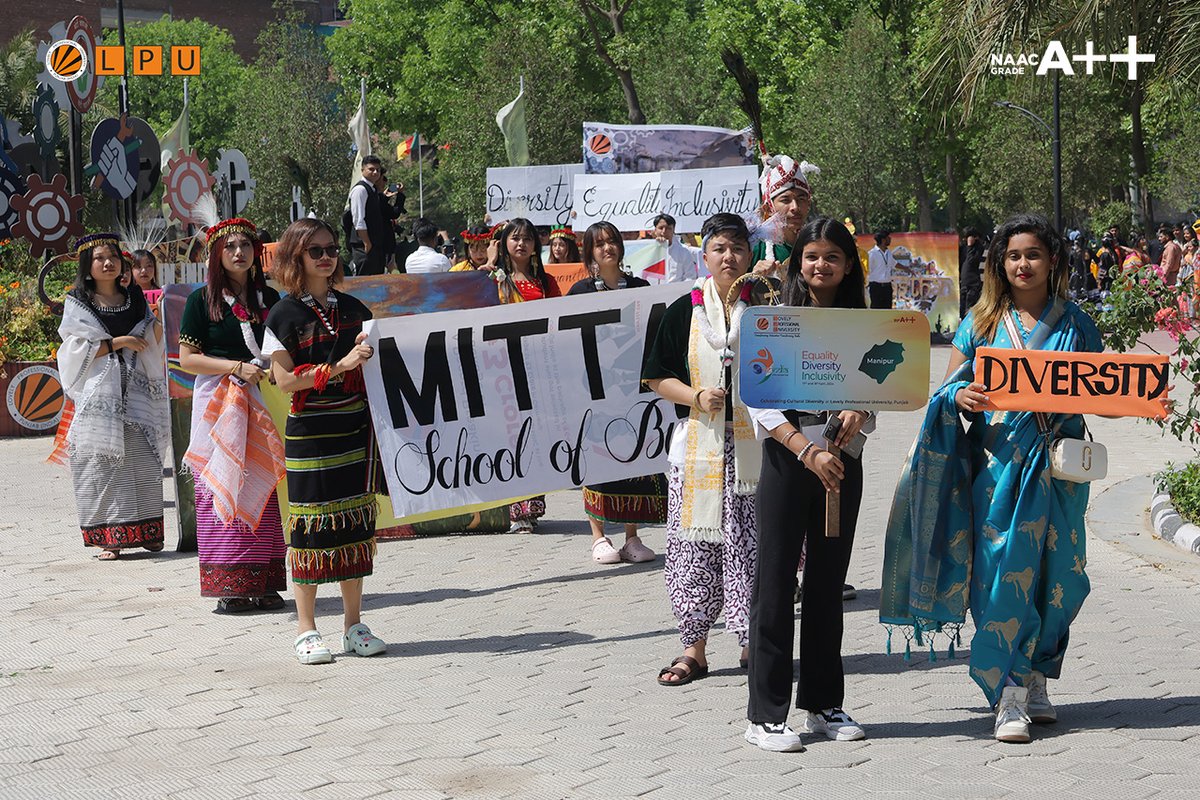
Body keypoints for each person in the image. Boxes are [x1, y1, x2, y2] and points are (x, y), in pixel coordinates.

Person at [881, 213, 1106, 744]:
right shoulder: (979, 325)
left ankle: (1038, 674)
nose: (1023, 264)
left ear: (1054, 261)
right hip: (998, 468)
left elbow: (1104, 390)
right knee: (1002, 572)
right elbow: (945, 390)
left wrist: (1141, 401)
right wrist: (959, 396)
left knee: (1062, 575)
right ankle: (1007, 691)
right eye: (1013, 256)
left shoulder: (1077, 324)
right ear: (998, 265)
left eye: (1033, 254)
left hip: (1061, 469)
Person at [744, 217, 871, 752]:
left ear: (848, 266)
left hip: (842, 463)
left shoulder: (865, 324)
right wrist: (806, 449)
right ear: (798, 262)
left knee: (825, 585)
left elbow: (881, 385)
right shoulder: (775, 319)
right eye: (812, 256)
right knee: (774, 583)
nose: (821, 266)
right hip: (787, 459)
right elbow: (759, 394)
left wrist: (856, 412)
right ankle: (765, 715)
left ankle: (822, 702)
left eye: (832, 257)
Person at [644, 212, 770, 686]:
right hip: (699, 448)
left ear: (750, 255)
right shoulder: (684, 310)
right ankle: (693, 650)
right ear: (705, 254)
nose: (729, 257)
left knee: (751, 547)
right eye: (719, 248)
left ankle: (750, 643)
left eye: (737, 248)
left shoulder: (765, 306)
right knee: (694, 547)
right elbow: (657, 376)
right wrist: (696, 396)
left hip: (756, 449)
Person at [263, 218, 387, 665]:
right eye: (315, 250)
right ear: (297, 257)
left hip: (352, 429)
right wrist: (340, 366)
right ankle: (306, 630)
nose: (326, 257)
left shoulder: (356, 310)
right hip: (310, 437)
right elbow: (283, 381)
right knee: (310, 529)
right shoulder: (282, 314)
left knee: (355, 525)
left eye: (331, 248)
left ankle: (354, 625)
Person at [179, 218, 287, 614]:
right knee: (221, 483)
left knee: (258, 480)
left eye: (245, 245)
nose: (239, 252)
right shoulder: (200, 301)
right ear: (217, 255)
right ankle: (231, 584)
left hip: (257, 399)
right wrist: (233, 368)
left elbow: (279, 353)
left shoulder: (269, 300)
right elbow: (188, 359)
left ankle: (264, 581)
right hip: (216, 402)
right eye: (230, 247)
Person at [56, 233, 169, 560]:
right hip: (99, 399)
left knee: (143, 461)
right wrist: (119, 342)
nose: (108, 263)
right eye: (99, 258)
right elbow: (73, 350)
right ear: (87, 266)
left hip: (136, 393)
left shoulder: (134, 297)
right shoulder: (78, 302)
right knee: (100, 465)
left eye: (113, 257)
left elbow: (150, 337)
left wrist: (161, 316)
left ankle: (149, 532)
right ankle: (110, 538)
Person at [567, 221, 665, 564]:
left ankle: (632, 537)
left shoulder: (641, 287)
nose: (607, 248)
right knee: (595, 459)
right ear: (590, 252)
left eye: (612, 241)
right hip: (593, 391)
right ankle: (598, 537)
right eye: (599, 244)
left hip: (631, 388)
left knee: (632, 457)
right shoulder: (579, 293)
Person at [477, 218, 560, 531]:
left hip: (537, 367)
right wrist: (489, 261)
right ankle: (510, 509)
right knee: (509, 433)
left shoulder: (546, 282)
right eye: (514, 238)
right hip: (502, 367)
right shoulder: (491, 279)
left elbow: (558, 319)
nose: (521, 244)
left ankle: (530, 507)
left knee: (534, 435)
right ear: (503, 243)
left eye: (527, 238)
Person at [751, 155, 817, 279]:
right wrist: (752, 279)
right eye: (785, 200)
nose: (795, 207)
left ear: (808, 204)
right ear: (768, 209)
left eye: (801, 199)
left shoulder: (819, 244)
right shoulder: (754, 250)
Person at [345, 155, 389, 276]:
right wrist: (366, 243)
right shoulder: (360, 190)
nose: (375, 172)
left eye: (378, 170)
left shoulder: (373, 190)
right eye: (371, 169)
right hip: (364, 247)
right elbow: (358, 219)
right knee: (364, 284)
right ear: (363, 170)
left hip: (375, 246)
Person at [652, 213, 700, 282]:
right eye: (660, 228)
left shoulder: (683, 252)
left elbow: (690, 277)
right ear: (655, 230)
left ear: (673, 230)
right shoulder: (648, 252)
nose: (664, 232)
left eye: (668, 228)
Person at [959, 227, 984, 317]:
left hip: (973, 284)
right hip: (963, 284)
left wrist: (970, 246)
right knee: (962, 309)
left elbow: (971, 261)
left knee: (970, 308)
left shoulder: (978, 248)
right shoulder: (963, 248)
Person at [867, 231, 895, 309]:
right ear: (883, 240)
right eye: (888, 237)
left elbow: (894, 264)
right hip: (876, 287)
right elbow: (868, 269)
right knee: (876, 309)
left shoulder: (888, 252)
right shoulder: (872, 253)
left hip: (887, 287)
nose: (890, 239)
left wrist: (907, 269)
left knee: (887, 310)